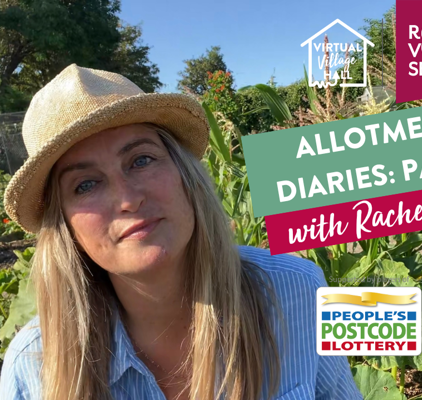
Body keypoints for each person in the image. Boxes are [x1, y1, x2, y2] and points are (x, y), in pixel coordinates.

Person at [0, 64, 362, 400]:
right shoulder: (32, 368)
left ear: (184, 173)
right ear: (63, 224)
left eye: (140, 160)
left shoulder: (299, 289)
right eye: (85, 185)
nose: (127, 199)